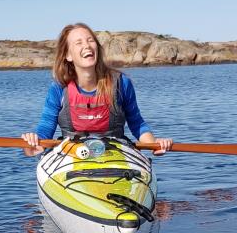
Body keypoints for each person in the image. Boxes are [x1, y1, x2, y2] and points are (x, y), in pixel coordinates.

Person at [22, 23, 172, 156]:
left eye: (90, 40)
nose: (86, 46)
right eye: (78, 43)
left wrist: (154, 144)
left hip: (115, 154)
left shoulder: (121, 83)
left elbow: (136, 123)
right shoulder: (59, 88)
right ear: (68, 55)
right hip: (73, 155)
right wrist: (34, 141)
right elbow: (46, 127)